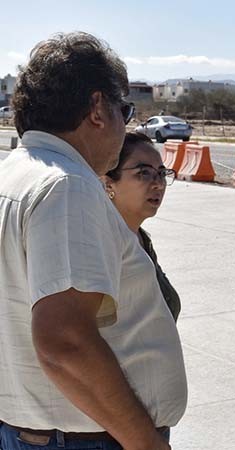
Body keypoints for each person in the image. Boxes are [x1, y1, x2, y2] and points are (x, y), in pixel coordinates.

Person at [0, 33, 186, 450]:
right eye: (125, 110)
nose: (125, 124)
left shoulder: (14, 175)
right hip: (87, 438)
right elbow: (65, 341)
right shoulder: (67, 186)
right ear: (98, 109)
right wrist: (145, 442)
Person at [102, 131, 181, 321]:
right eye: (143, 173)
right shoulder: (104, 246)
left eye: (161, 174)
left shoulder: (141, 239)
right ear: (108, 183)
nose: (158, 185)